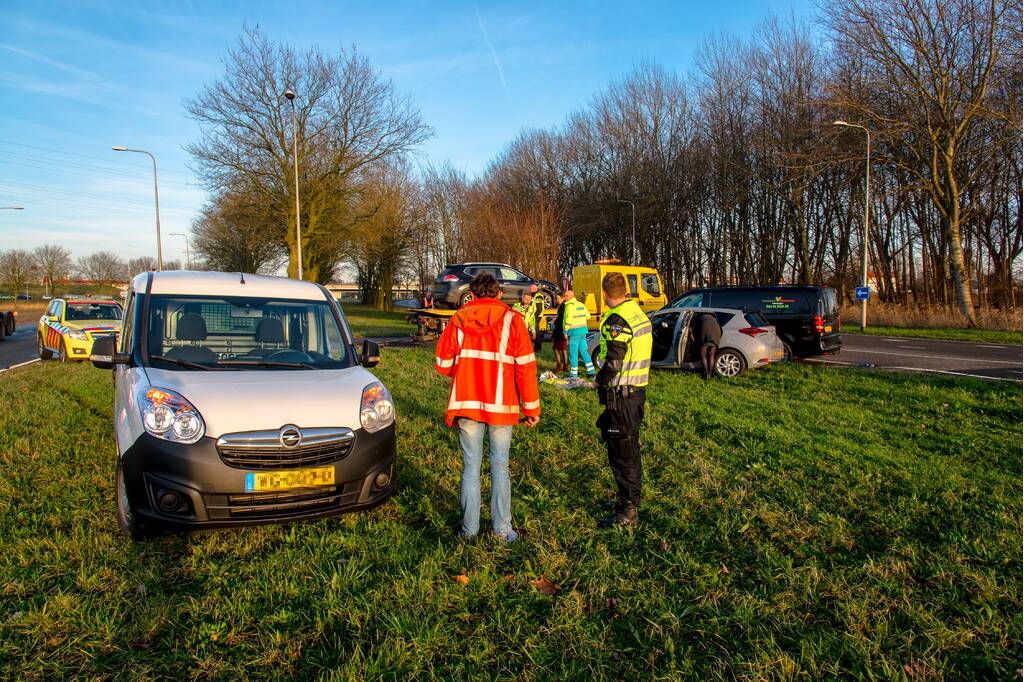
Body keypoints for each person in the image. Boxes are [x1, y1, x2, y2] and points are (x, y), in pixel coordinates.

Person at [434, 273, 540, 543]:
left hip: (467, 403)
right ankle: (502, 530)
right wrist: (531, 408)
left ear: (473, 294)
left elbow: (443, 365)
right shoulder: (513, 321)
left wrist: (466, 369)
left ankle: (469, 531)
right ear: (498, 293)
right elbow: (525, 368)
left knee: (470, 467)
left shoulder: (458, 320)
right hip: (501, 406)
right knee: (500, 466)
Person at [594, 272, 652, 528]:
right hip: (635, 394)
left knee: (622, 455)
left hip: (622, 395)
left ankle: (629, 511)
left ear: (605, 294)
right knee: (629, 449)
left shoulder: (617, 320)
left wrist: (600, 378)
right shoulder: (638, 313)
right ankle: (626, 500)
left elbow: (615, 361)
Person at [562, 288, 595, 378]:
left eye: (566, 296)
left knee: (573, 353)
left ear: (572, 296)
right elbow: (588, 316)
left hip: (574, 332)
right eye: (564, 296)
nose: (565, 297)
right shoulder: (581, 304)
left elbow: (568, 320)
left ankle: (573, 373)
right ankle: (591, 371)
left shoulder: (569, 306)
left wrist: (565, 331)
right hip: (583, 331)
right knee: (584, 351)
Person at [694, 312, 722, 379]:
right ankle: (710, 373)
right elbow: (721, 330)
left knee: (703, 356)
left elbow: (695, 330)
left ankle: (705, 373)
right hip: (715, 338)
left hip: (704, 338)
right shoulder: (715, 319)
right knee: (711, 356)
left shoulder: (700, 318)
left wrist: (697, 340)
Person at [550, 292, 568, 374]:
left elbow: (561, 318)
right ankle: (564, 367)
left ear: (563, 298)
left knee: (558, 349)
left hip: (561, 330)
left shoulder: (564, 306)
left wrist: (554, 320)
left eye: (558, 298)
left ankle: (560, 367)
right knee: (561, 349)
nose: (556, 300)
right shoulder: (562, 306)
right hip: (561, 330)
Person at [528, 284, 546, 355]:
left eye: (530, 289)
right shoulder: (533, 296)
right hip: (533, 317)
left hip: (536, 317)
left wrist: (535, 317)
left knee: (536, 333)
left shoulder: (538, 296)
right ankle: (534, 348)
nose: (529, 291)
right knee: (533, 332)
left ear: (533, 289)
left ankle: (537, 348)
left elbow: (539, 308)